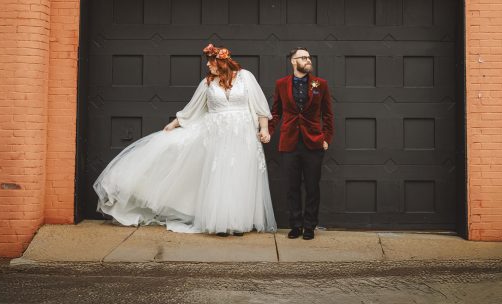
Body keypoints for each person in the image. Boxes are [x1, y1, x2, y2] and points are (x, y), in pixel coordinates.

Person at [93, 43, 276, 235]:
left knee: (240, 177)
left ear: (221, 62)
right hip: (217, 135)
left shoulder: (246, 78)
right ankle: (220, 223)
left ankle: (239, 223)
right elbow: (192, 109)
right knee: (219, 176)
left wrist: (264, 129)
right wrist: (173, 125)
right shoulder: (207, 84)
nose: (207, 66)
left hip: (243, 135)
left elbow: (259, 107)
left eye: (210, 62)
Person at [269, 47, 334, 240]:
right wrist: (269, 131)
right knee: (292, 186)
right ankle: (295, 225)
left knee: (312, 187)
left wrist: (326, 138)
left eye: (308, 57)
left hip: (313, 142)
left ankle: (309, 226)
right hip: (289, 142)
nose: (308, 60)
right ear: (293, 61)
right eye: (303, 57)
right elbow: (276, 112)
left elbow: (328, 114)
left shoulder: (320, 84)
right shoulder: (281, 84)